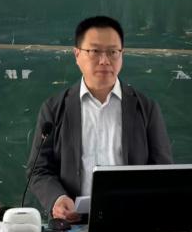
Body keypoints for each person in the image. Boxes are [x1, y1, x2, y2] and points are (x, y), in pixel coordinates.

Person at [27, 15, 172, 221]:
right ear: (77, 54)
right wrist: (58, 199)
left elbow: (163, 171)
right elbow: (38, 169)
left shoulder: (146, 108)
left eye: (113, 52)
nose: (104, 61)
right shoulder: (54, 109)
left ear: (122, 55)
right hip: (72, 225)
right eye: (95, 51)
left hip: (132, 223)